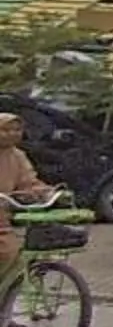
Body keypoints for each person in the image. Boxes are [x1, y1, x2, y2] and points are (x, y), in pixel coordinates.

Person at [0, 110, 70, 280]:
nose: (12, 134)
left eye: (17, 130)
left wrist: (48, 193)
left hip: (2, 218)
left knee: (16, 252)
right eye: (6, 130)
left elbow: (29, 182)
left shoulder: (17, 156)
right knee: (8, 251)